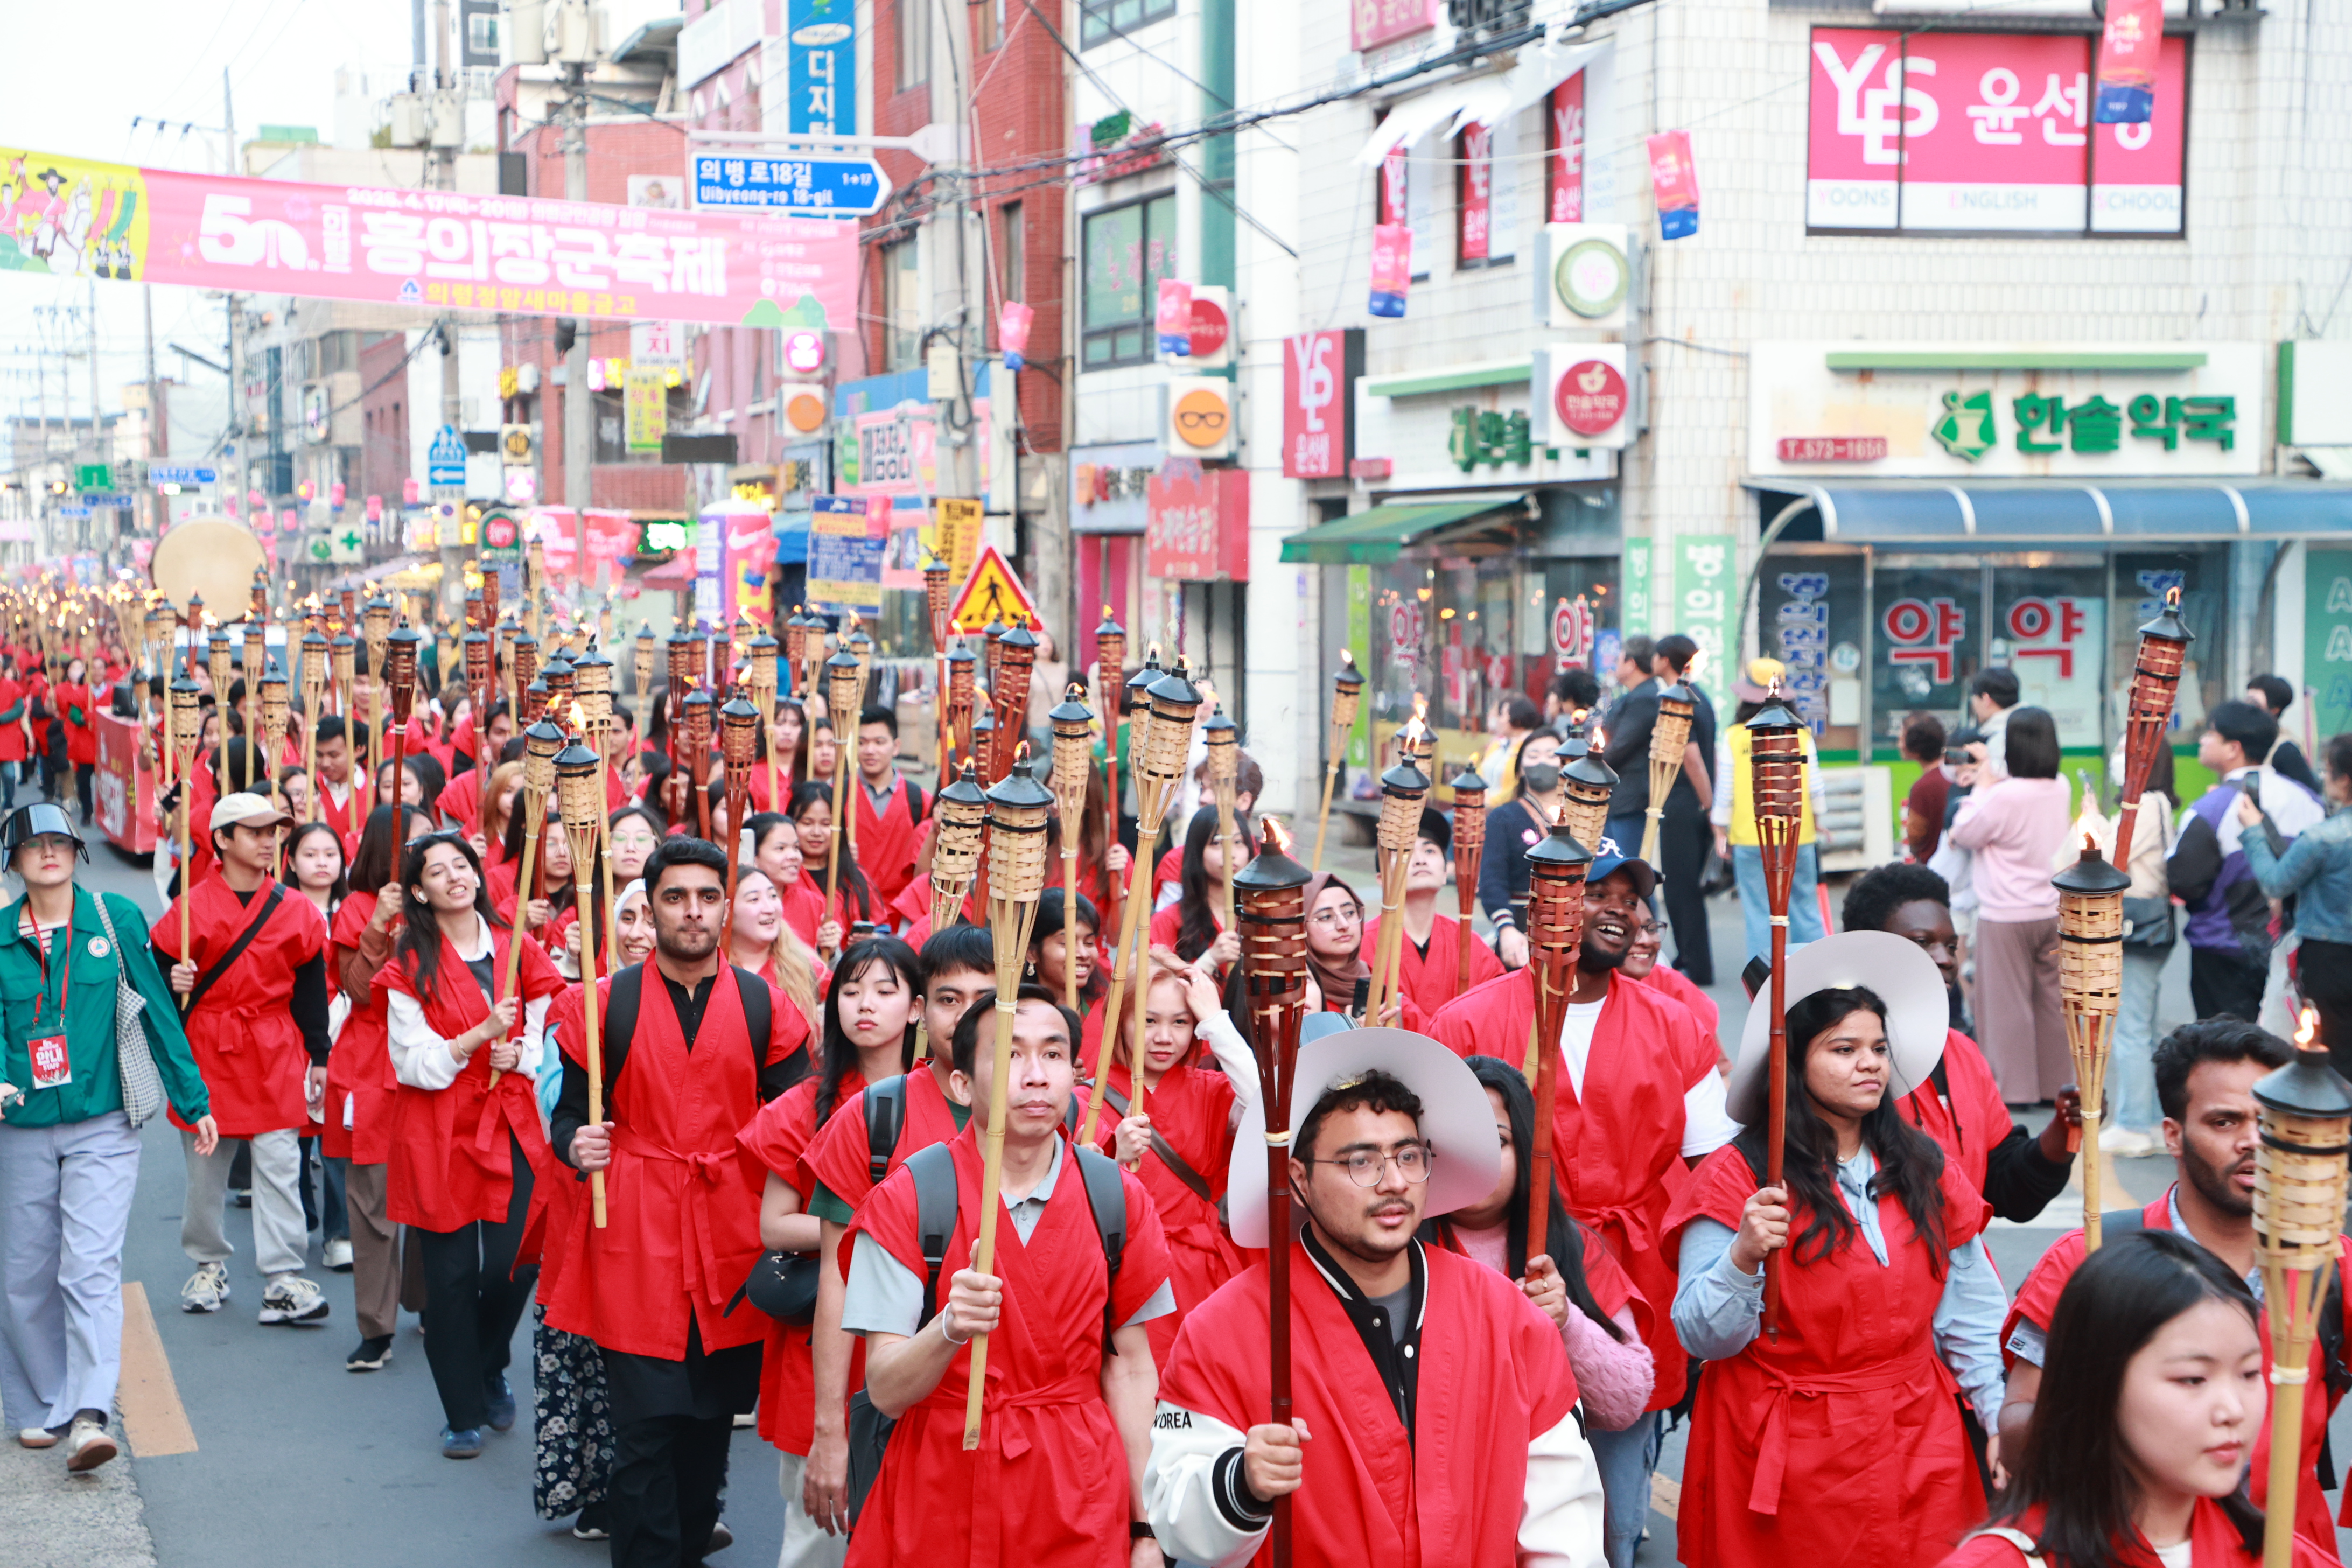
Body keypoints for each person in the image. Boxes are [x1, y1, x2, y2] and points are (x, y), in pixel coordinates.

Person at [1146, 1024, 1605, 1566]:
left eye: (1408, 1156)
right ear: (1298, 1178)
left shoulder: (1507, 1316)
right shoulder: (1223, 1329)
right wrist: (1241, 1481)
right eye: (1361, 1161)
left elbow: (1563, 1520)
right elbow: (1174, 1514)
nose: (1393, 1182)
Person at [1430, 845, 1732, 1566]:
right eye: (1599, 895)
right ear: (1544, 910)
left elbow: (1714, 1173)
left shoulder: (1677, 1027)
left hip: (1632, 1283)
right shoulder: (1464, 1025)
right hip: (1500, 1280)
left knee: (1614, 1515)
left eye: (1630, 900)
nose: (1619, 912)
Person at [1667, 932, 2005, 1568]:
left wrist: (1998, 1414)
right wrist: (1742, 1256)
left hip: (1917, 1436)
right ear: (1793, 1061)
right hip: (1788, 1452)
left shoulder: (1924, 1164)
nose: (1870, 1063)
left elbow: (1973, 1311)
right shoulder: (1736, 1177)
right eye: (1843, 1049)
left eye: (1878, 1047)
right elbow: (1701, 1333)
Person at [549, 835, 811, 1568]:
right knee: (643, 1432)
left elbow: (801, 1119)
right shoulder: (603, 1005)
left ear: (725, 908)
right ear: (650, 907)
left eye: (705, 898)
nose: (691, 913)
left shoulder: (765, 1005)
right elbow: (568, 1115)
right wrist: (579, 1144)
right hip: (633, 1232)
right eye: (674, 898)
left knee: (706, 1430)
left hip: (730, 1238)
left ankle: (691, 1544)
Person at [842, 986, 1173, 1568]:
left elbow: (1131, 1368)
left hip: (1076, 1483)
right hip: (943, 1477)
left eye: (1052, 1055)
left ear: (1075, 1076)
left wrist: (1144, 1524)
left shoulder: (1115, 1197)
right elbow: (886, 1389)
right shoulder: (911, 1197)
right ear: (963, 1084)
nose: (1036, 1075)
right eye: (1012, 1054)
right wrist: (948, 1327)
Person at [1992, 1018, 2352, 1550]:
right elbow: (2020, 1425)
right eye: (2225, 1121)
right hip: (2125, 1549)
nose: (2254, 1141)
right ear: (2173, 1134)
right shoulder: (2090, 1256)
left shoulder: (2333, 1264)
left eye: (2269, 1121)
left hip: (2281, 1548)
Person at [0, 804, 213, 1471]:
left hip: (104, 1122)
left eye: (60, 841)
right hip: (21, 1125)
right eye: (32, 845)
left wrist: (193, 1097)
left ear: (77, 850)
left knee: (88, 1265)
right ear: (13, 861)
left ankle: (91, 1410)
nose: (49, 853)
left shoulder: (116, 921)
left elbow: (154, 1010)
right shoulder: (2, 934)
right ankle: (41, 1404)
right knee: (23, 1274)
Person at [1945, 1230, 2331, 1568]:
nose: (2233, 1410)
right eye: (2193, 1379)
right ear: (2098, 1386)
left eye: (2249, 1373)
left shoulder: (2286, 1558)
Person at [794, 924, 996, 1538]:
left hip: (1005, 1414)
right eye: (948, 998)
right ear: (919, 1009)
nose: (964, 1017)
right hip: (893, 1395)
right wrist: (829, 1428)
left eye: (984, 997)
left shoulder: (1047, 1114)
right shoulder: (877, 1115)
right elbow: (837, 1273)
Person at [736, 934, 921, 1568]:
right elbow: (774, 1226)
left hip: (917, 1341)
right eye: (850, 990)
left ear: (918, 1008)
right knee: (819, 1527)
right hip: (826, 1339)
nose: (864, 1005)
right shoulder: (805, 1104)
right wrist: (870, 1232)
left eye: (883, 990)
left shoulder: (951, 1102)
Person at [380, 831, 566, 1458]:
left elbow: (541, 1034)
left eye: (462, 864)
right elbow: (411, 1062)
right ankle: (461, 1411)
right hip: (436, 1125)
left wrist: (519, 1054)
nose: (455, 876)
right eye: (437, 870)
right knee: (452, 1275)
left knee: (515, 1260)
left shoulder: (519, 948)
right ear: (418, 890)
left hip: (508, 1117)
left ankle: (489, 1362)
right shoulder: (409, 962)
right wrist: (478, 1038)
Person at [156, 791, 334, 1326]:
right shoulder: (190, 908)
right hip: (209, 1044)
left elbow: (310, 987)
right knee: (206, 1168)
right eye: (254, 831)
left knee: (281, 1163)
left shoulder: (297, 907)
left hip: (276, 1042)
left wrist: (319, 1054)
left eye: (272, 831)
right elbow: (154, 983)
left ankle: (282, 1276)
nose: (266, 841)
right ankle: (209, 1263)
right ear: (222, 840)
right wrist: (172, 979)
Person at [1440, 1054, 1656, 1454]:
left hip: (1543, 1474)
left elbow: (1627, 1403)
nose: (1477, 1156)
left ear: (1528, 1150)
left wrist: (1566, 1321)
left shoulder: (1574, 1247)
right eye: (1459, 1140)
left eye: (1497, 1141)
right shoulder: (1396, 1247)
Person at [1839, 863, 2078, 1222]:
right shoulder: (1836, 1062)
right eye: (1922, 943)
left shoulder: (1962, 1051)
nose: (1946, 959)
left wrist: (2064, 1130)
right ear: (1870, 951)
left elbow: (2004, 1188)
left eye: (1951, 945)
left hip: (1963, 1270)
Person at [1088, 958, 1247, 1362]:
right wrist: (1116, 1163)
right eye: (1148, 1021)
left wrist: (1216, 1020)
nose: (1164, 1037)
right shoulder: (1083, 1103)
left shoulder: (1213, 1091)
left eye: (1180, 1023)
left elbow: (1269, 1107)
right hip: (1124, 1273)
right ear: (1120, 1021)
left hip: (1199, 1274)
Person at [327, 804, 431, 1373]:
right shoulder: (357, 908)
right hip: (370, 1065)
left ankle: (425, 1295)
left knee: (433, 1189)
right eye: (417, 842)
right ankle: (376, 1323)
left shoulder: (440, 907)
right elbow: (359, 990)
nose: (428, 851)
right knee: (372, 1198)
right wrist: (376, 928)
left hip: (429, 1062)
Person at [1946, 706, 2073, 1103]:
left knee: (2006, 1005)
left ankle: (2016, 1090)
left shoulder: (2001, 796)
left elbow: (1965, 832)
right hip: (2052, 907)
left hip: (2004, 914)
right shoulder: (2061, 786)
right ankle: (2057, 1084)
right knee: (2052, 1001)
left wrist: (1981, 784)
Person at [2171, 701, 2325, 1023]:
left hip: (2222, 953)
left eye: (2210, 733)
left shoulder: (2210, 809)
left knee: (2225, 1053)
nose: (2202, 740)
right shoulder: (2308, 801)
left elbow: (2183, 880)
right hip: (2295, 949)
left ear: (2233, 748)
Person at [1602, 633, 1717, 985]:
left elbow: (1692, 757)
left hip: (1683, 801)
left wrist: (1711, 808)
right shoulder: (1692, 698)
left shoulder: (1682, 701)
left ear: (1665, 660)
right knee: (1681, 888)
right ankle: (1688, 957)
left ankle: (1694, 964)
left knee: (1681, 889)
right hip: (1684, 801)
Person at [2241, 732, 2352, 1081]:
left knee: (2332, 1051)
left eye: (2327, 769)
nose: (2323, 776)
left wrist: (2255, 831)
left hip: (2328, 956)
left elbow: (2275, 882)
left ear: (2344, 779)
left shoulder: (2322, 838)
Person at [1712, 657, 1828, 966]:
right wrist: (1819, 824)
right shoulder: (1800, 734)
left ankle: (1766, 982)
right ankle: (1816, 975)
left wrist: (1719, 829)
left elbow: (1725, 790)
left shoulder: (1735, 736)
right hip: (1797, 834)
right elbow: (1815, 787)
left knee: (1759, 912)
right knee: (1805, 906)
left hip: (1751, 836)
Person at [1364, 807, 1504, 1025]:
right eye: (1406, 853)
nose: (1420, 860)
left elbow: (1498, 1008)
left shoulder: (1469, 944)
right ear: (1382, 880)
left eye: (1430, 851)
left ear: (1444, 872)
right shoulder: (1365, 944)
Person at [2110, 739, 2181, 1153]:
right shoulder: (2158, 804)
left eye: (2125, 750)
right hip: (2149, 924)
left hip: (2138, 926)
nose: (2118, 758)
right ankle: (2152, 1121)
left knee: (2132, 1030)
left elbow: (2112, 856)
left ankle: (2135, 1124)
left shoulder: (2149, 805)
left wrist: (2090, 822)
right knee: (2143, 1029)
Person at [1477, 726, 1567, 970]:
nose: (1543, 762)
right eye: (1533, 755)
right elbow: (1492, 880)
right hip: (1521, 928)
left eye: (1552, 755)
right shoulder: (1503, 818)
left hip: (1571, 926)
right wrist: (1505, 928)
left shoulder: (1584, 817)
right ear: (1519, 767)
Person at [1149, 805, 1249, 968]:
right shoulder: (1167, 921)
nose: (1231, 853)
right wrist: (1209, 961)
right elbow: (1153, 986)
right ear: (1197, 851)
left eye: (1238, 842)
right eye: (1217, 843)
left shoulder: (1262, 915)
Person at [850, 704, 926, 909]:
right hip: (850, 911)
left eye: (879, 742)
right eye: (862, 742)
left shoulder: (919, 800)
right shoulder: (837, 794)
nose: (870, 750)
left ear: (896, 746)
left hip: (901, 915)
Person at [1620, 906, 1718, 1042]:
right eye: (1629, 930)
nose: (1646, 941)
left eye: (1652, 929)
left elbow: (1714, 1057)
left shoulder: (1670, 984)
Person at [1301, 871, 1374, 1019]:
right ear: (1301, 927)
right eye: (1326, 917)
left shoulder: (1383, 986)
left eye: (1349, 913)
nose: (1344, 925)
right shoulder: (1297, 1000)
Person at [2246, 674, 2323, 796]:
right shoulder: (2244, 741)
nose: (2247, 709)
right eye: (2245, 702)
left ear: (2275, 709)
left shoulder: (2285, 748)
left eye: (2254, 704)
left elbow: (2310, 793)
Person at [1903, 713, 1955, 864]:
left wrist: (1914, 849)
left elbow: (1916, 833)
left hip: (1933, 864)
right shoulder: (1957, 773)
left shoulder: (1924, 787)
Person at [312, 715, 367, 855]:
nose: (325, 763)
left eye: (334, 755)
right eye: (319, 755)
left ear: (358, 750)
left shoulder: (376, 790)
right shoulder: (309, 788)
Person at [54, 659, 96, 825]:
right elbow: (73, 715)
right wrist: (86, 717)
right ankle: (86, 809)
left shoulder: (111, 690)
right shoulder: (79, 693)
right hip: (81, 741)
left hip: (103, 743)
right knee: (83, 778)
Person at [1478, 694, 1545, 793]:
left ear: (1517, 719)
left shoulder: (1531, 749)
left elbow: (1515, 789)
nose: (1499, 721)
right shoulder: (1497, 744)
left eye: (1502, 715)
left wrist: (1489, 803)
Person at [1967, 667, 2021, 781]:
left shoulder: (1999, 738)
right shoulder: (2034, 724)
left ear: (1986, 699)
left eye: (1974, 697)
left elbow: (2000, 780)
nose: (1974, 704)